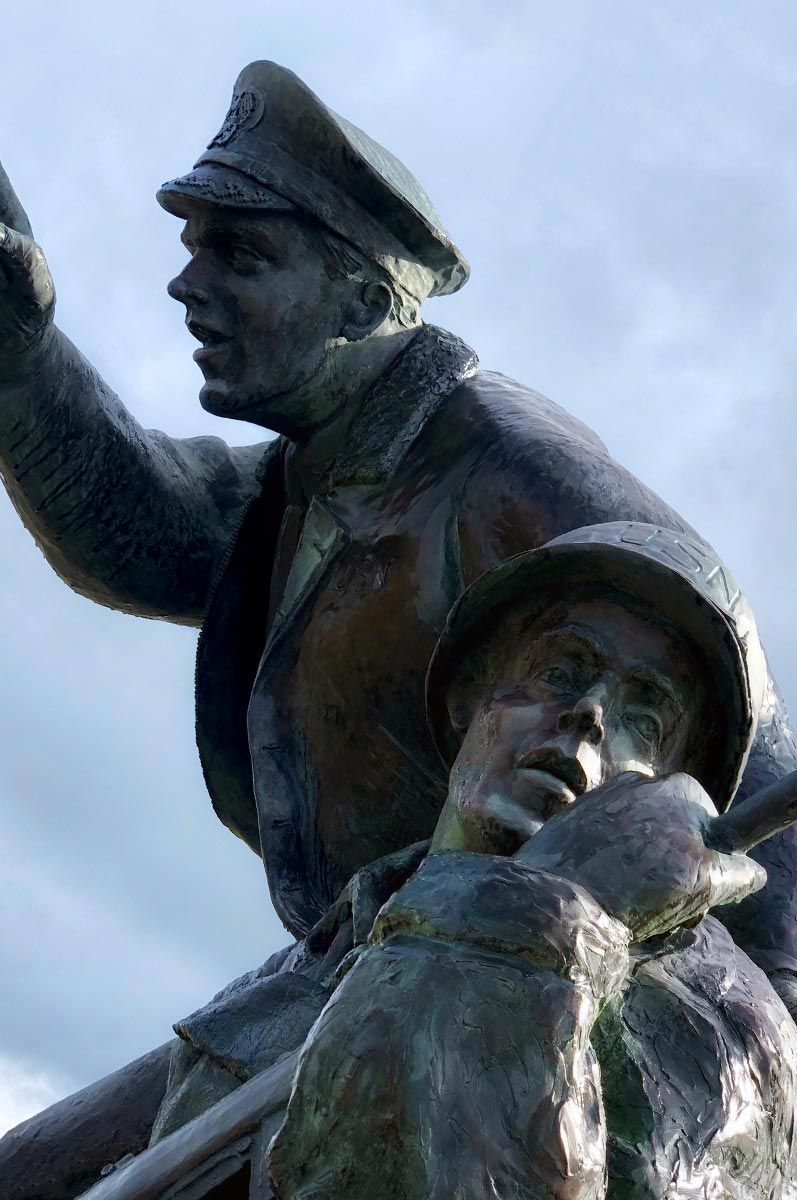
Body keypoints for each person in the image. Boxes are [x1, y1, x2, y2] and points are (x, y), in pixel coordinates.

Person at [2, 60, 797, 1191]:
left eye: (239, 255)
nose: (186, 284)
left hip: (522, 980)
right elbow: (151, 529)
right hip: (361, 950)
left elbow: (749, 775)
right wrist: (21, 357)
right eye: (194, 247)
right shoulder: (320, 470)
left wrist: (738, 1074)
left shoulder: (515, 474)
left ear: (364, 303)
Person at [268, 523, 797, 1200]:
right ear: (469, 698)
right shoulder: (267, 1001)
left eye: (645, 723)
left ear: (674, 793)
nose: (590, 714)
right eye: (558, 673)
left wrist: (543, 916)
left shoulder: (734, 1032)